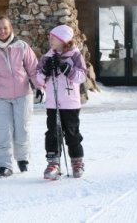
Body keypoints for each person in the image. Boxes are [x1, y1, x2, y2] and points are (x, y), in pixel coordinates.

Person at [0, 15, 41, 178]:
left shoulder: (22, 46)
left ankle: (22, 158)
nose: (2, 31)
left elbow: (33, 69)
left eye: (5, 28)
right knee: (2, 132)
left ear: (10, 29)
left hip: (23, 94)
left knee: (22, 129)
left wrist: (39, 86)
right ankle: (4, 165)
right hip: (0, 97)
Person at [36, 24, 87, 180]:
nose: (50, 40)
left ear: (63, 40)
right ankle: (53, 163)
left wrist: (67, 69)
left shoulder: (75, 55)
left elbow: (82, 76)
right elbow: (38, 79)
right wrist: (45, 71)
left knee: (72, 133)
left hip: (70, 103)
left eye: (53, 38)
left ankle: (77, 161)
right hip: (53, 103)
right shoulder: (47, 57)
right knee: (52, 133)